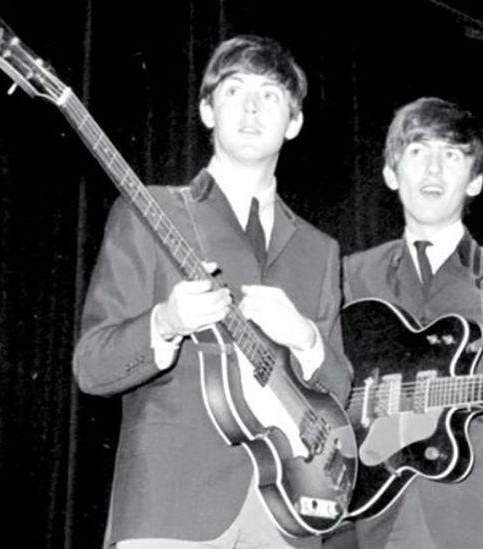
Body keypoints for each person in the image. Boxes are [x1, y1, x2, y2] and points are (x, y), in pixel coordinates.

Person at [74, 35, 351, 548]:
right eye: (233, 90)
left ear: (294, 123)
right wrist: (165, 323)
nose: (250, 107)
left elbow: (338, 390)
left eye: (269, 94)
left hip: (287, 521)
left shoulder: (321, 249)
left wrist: (306, 338)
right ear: (206, 111)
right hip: (173, 511)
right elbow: (91, 367)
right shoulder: (148, 213)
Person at [342, 97, 483, 549]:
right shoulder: (352, 273)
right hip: (381, 517)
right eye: (417, 152)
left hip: (482, 520)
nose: (432, 170)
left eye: (451, 156)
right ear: (391, 173)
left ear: (476, 181)